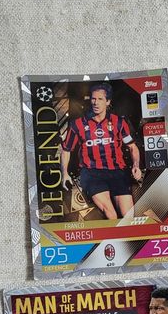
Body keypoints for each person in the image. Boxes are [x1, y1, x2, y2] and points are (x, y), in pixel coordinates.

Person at [60, 82, 142, 218]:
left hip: (117, 172)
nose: (96, 103)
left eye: (100, 99)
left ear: (108, 101)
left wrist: (136, 166)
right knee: (111, 215)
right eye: (93, 99)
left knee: (128, 216)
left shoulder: (119, 122)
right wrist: (65, 173)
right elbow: (66, 150)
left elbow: (132, 147)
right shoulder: (77, 125)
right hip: (92, 174)